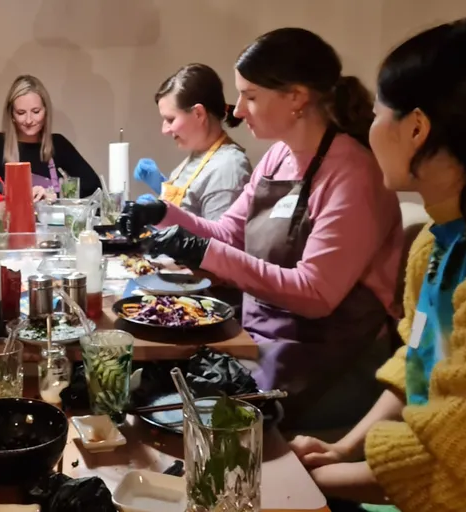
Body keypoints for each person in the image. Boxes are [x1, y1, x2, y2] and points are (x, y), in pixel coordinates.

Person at [122, 28, 403, 430]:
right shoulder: (277, 158)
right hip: (258, 342)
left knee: (177, 422)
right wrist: (163, 213)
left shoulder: (353, 173)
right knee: (144, 399)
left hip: (328, 360)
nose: (237, 111)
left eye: (250, 96)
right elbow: (228, 233)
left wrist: (203, 251)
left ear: (297, 97)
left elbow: (315, 294)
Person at [290, 18, 466, 512]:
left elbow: (456, 460)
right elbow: (412, 366)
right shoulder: (432, 247)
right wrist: (343, 449)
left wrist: (308, 480)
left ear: (416, 128)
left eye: (376, 113)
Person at [0, 74, 100, 199]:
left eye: (36, 112)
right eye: (21, 113)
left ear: (46, 112)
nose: (29, 120)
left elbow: (93, 184)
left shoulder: (58, 144)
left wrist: (55, 196)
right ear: (11, 115)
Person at [134, 63, 252, 221]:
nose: (165, 130)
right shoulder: (197, 156)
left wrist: (163, 219)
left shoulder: (228, 168)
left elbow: (220, 241)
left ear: (198, 114)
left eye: (170, 119)